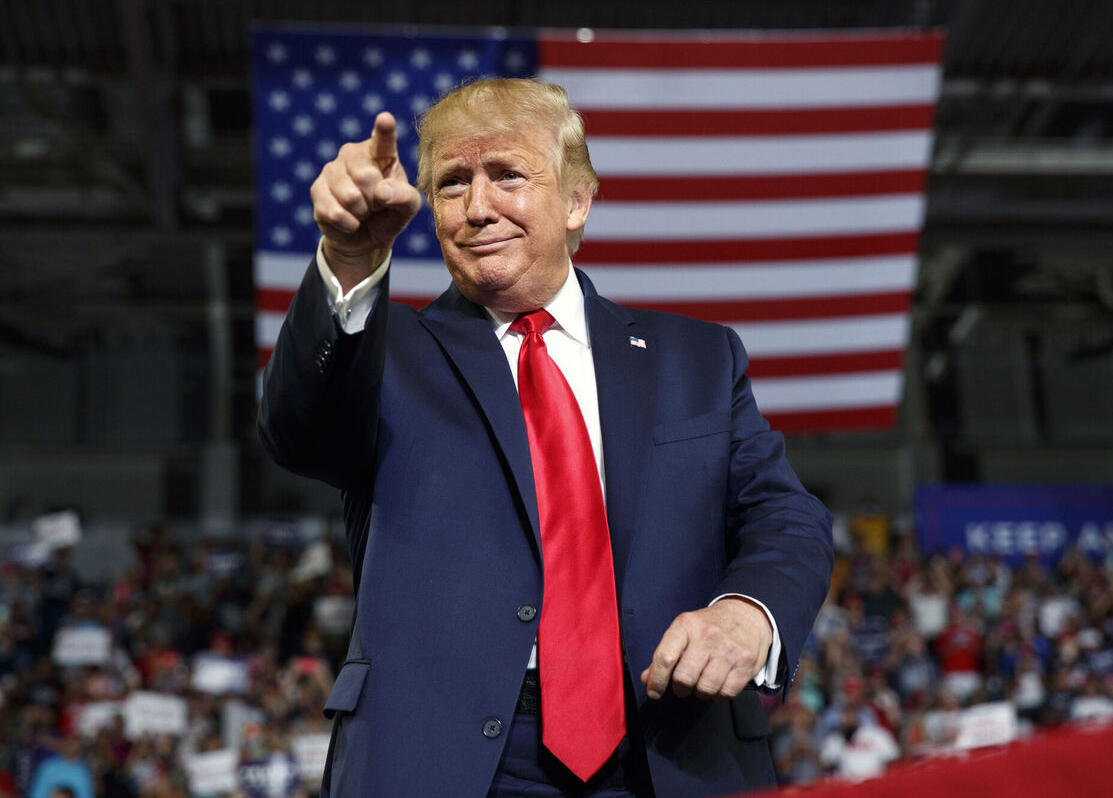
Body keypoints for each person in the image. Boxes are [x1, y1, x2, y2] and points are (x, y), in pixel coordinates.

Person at [259, 77, 833, 798]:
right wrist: (347, 261)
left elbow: (787, 516)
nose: (477, 207)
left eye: (506, 174)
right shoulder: (382, 350)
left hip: (668, 750)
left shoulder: (698, 359)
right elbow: (296, 433)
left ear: (577, 200)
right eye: (452, 183)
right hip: (442, 763)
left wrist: (747, 612)